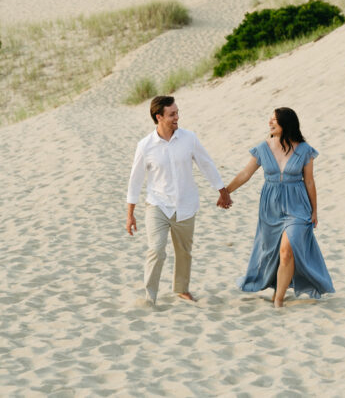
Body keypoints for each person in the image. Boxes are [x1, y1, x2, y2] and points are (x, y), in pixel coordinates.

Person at [126, 95, 232, 304]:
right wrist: (130, 215)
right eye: (172, 114)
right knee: (156, 250)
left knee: (184, 251)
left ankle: (181, 289)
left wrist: (222, 190)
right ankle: (150, 296)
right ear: (159, 117)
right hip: (157, 205)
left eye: (177, 112)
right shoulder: (145, 146)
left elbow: (206, 164)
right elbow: (135, 181)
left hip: (185, 204)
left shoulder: (189, 138)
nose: (177, 117)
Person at [224, 107, 334, 307]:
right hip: (271, 209)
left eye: (274, 120)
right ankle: (277, 289)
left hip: (298, 207)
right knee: (272, 252)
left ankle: (279, 299)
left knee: (286, 250)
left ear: (286, 124)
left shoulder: (304, 150)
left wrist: (315, 210)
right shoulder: (263, 148)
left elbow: (309, 182)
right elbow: (245, 174)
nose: (270, 123)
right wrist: (226, 191)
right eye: (270, 119)